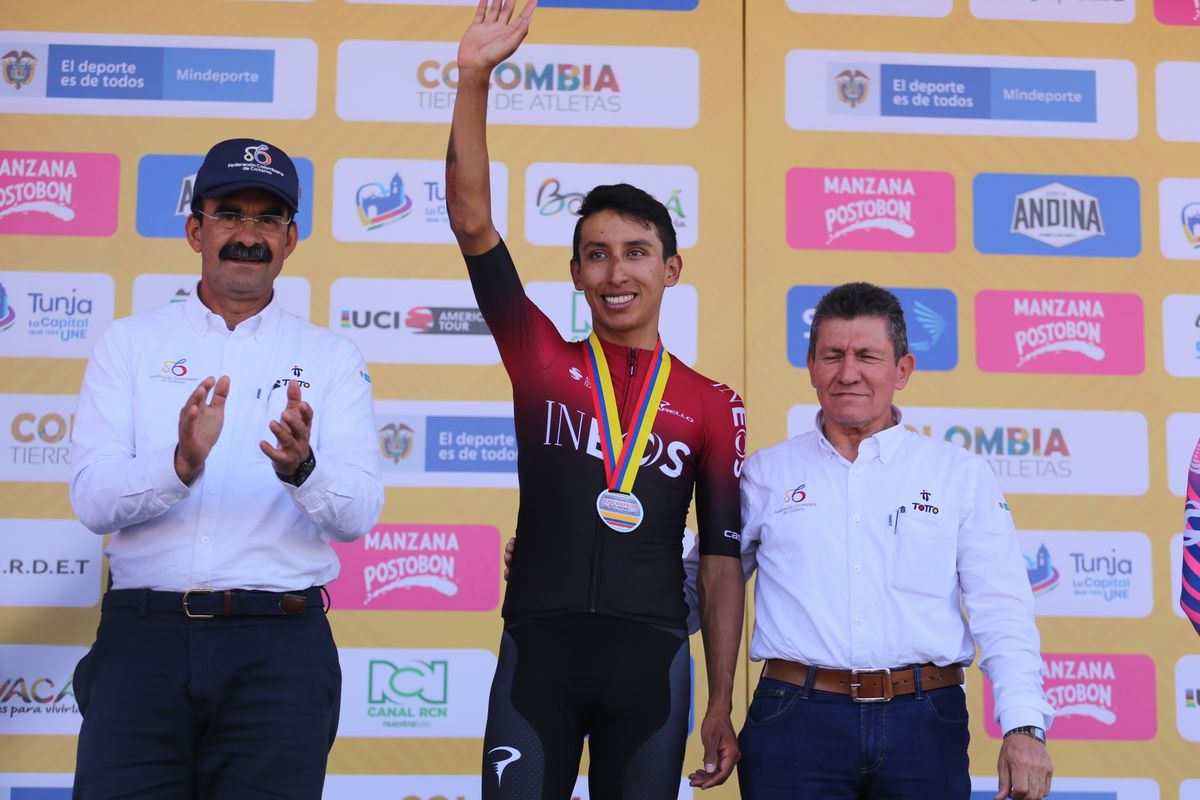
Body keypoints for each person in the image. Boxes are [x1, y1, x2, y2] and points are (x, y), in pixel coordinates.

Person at [446, 2, 746, 797]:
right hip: (537, 651)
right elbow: (472, 221)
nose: (618, 273)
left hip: (650, 663)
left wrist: (721, 698)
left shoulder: (712, 404)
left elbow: (720, 562)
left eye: (638, 254)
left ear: (671, 271)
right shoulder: (541, 360)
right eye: (597, 256)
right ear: (576, 274)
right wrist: (474, 78)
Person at [68, 138, 383, 800]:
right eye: (229, 214)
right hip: (141, 645)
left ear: (291, 238)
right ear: (195, 229)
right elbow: (92, 501)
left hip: (279, 653)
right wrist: (179, 464)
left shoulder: (329, 357)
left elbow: (358, 515)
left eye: (267, 218)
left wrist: (304, 470)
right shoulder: (129, 344)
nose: (248, 234)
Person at [728, 282, 1054, 800]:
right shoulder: (765, 474)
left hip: (924, 723)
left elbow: (1003, 609)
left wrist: (1023, 726)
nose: (848, 371)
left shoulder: (958, 475)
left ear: (902, 370)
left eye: (867, 356)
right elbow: (702, 588)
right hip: (794, 722)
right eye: (832, 355)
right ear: (811, 366)